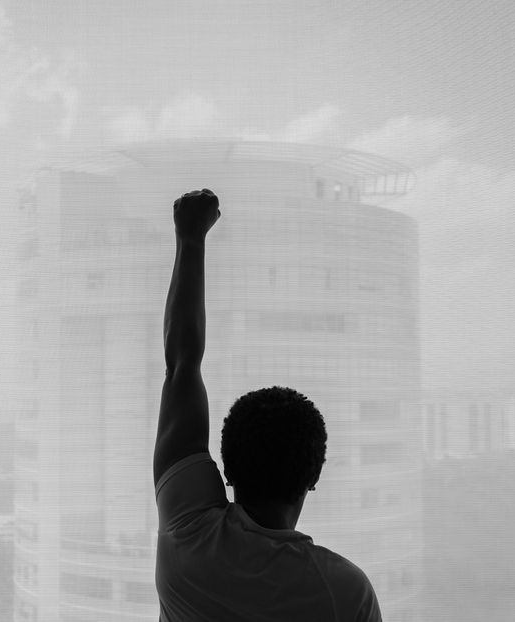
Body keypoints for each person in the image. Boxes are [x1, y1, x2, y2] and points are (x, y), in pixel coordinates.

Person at [154, 188, 383, 621]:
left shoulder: (188, 532)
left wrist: (190, 239)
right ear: (313, 476)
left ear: (228, 468)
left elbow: (181, 366)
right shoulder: (344, 592)